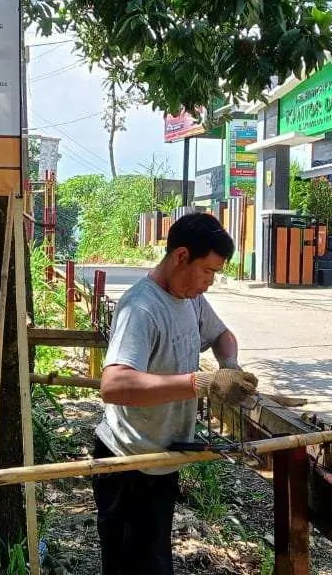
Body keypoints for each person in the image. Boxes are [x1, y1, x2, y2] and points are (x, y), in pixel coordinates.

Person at [92, 212, 258, 575]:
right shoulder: (141, 308)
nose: (210, 282)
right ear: (181, 256)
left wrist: (229, 367)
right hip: (128, 463)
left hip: (162, 457)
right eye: (208, 271)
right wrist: (199, 383)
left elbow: (222, 335)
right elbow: (115, 385)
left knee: (154, 560)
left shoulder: (191, 298)